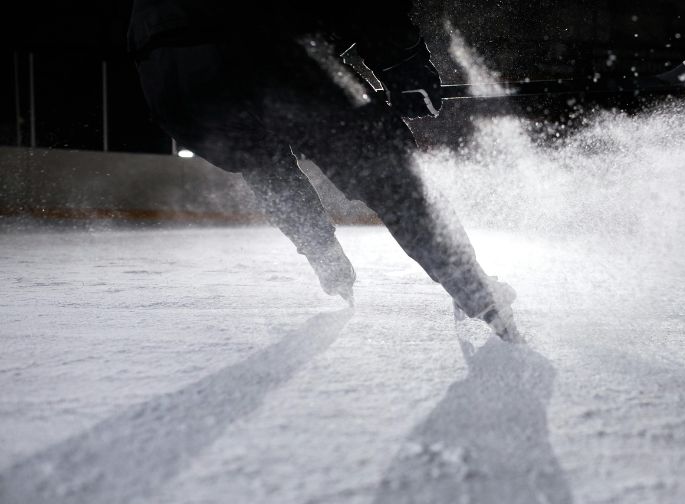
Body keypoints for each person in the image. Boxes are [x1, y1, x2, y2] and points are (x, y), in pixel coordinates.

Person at [128, 1, 521, 340]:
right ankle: (473, 288)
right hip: (266, 47)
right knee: (383, 163)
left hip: (172, 88)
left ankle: (327, 259)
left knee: (264, 165)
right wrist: (405, 68)